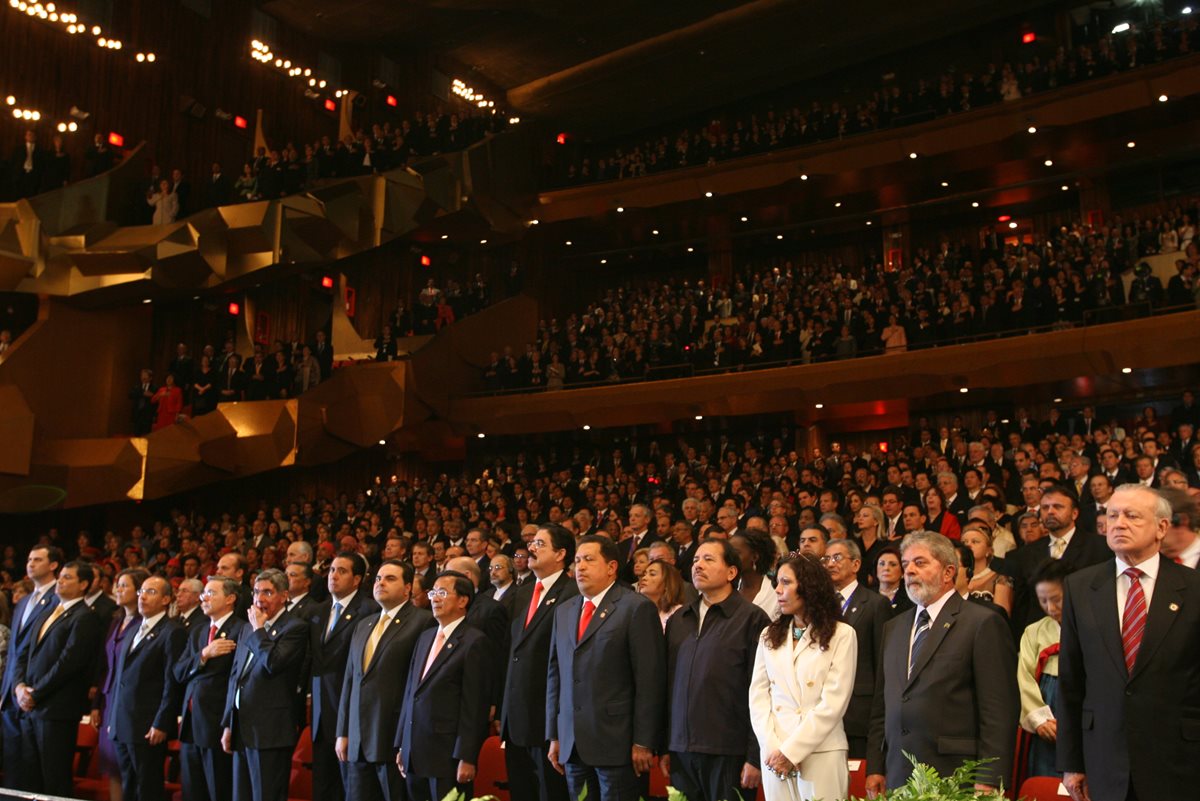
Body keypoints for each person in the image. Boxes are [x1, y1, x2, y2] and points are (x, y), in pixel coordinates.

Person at [1057, 485, 1200, 801]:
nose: (1118, 523)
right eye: (1112, 515)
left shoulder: (1193, 588)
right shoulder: (1080, 587)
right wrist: (1071, 763)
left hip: (1181, 762)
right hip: (1103, 760)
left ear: (1162, 527)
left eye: (1132, 516)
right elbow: (1071, 681)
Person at [865, 531, 1018, 795]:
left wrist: (990, 777)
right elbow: (883, 703)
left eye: (920, 563)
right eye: (906, 565)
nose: (909, 571)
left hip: (957, 775)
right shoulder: (894, 627)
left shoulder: (982, 623)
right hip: (898, 772)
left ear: (948, 572)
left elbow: (998, 710)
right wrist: (876, 767)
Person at [546, 534, 666, 801]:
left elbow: (650, 680)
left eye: (589, 560)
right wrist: (555, 735)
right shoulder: (564, 611)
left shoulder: (635, 607)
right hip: (573, 741)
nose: (581, 567)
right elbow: (556, 676)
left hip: (618, 744)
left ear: (612, 567)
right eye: (577, 561)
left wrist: (644, 741)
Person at [664, 538, 770, 800]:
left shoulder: (752, 619)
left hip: (729, 751)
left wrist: (755, 757)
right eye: (696, 559)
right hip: (681, 749)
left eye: (709, 559)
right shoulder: (680, 618)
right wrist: (664, 745)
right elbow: (667, 685)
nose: (698, 565)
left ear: (732, 572)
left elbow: (764, 693)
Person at [749, 554, 857, 801]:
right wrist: (773, 747)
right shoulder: (769, 634)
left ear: (809, 587)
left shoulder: (842, 634)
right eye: (777, 582)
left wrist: (792, 752)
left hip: (821, 752)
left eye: (786, 582)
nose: (778, 590)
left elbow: (833, 704)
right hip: (774, 754)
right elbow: (758, 697)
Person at [336, 559, 435, 801]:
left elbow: (417, 686)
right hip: (358, 740)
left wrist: (404, 739)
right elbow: (350, 681)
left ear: (407, 588)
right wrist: (343, 731)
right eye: (379, 578)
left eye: (390, 579)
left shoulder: (423, 622)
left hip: (392, 740)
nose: (381, 583)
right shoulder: (363, 625)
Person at [395, 570, 490, 801]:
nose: (435, 598)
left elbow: (474, 706)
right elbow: (410, 693)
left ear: (463, 600)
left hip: (447, 757)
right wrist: (401, 743)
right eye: (433, 593)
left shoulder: (474, 641)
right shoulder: (425, 637)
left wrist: (467, 757)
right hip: (414, 752)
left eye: (442, 592)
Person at [13, 560, 103, 797]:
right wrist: (19, 686)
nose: (60, 581)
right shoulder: (47, 613)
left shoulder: (85, 617)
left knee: (54, 779)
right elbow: (22, 654)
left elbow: (68, 663)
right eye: (60, 576)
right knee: (28, 778)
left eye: (67, 577)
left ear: (84, 584)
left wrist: (36, 693)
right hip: (30, 707)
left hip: (57, 710)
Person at [501, 524, 578, 801]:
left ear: (560, 554)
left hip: (547, 722)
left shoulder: (572, 594)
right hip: (516, 722)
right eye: (531, 543)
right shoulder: (521, 593)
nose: (530, 548)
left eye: (540, 544)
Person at [221, 568, 310, 801]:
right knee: (241, 795)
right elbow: (236, 675)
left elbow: (273, 663)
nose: (260, 599)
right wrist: (228, 724)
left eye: (268, 593)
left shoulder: (295, 628)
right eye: (256, 592)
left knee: (266, 795)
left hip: (271, 730)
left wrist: (260, 630)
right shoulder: (246, 627)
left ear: (284, 596)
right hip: (242, 726)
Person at [107, 575, 186, 801]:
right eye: (141, 591)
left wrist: (161, 722)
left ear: (166, 599)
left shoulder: (172, 631)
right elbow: (120, 679)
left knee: (147, 787)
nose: (142, 596)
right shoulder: (132, 630)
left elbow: (172, 682)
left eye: (151, 592)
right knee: (128, 786)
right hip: (123, 723)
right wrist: (113, 718)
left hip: (148, 725)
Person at [310, 552, 380, 801]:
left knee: (352, 790)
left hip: (351, 714)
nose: (334, 575)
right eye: (331, 571)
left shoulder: (369, 610)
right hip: (320, 716)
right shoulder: (317, 611)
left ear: (357, 579)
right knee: (322, 788)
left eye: (342, 571)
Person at [174, 576, 247, 801]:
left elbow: (238, 679)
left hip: (216, 723)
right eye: (204, 593)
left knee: (218, 790)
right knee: (192, 791)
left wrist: (228, 723)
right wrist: (205, 654)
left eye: (211, 593)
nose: (204, 598)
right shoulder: (199, 630)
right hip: (191, 723)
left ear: (231, 599)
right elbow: (179, 671)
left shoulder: (241, 629)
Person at [823, 538, 891, 759]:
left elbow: (881, 661)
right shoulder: (819, 604)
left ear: (856, 565)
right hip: (823, 709)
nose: (830, 563)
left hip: (858, 711)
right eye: (827, 559)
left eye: (837, 557)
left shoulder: (874, 603)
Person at [1, 545, 61, 791]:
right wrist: (13, 687)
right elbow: (16, 651)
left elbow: (49, 652)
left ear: (54, 565)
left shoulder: (60, 600)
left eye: (38, 559)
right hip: (11, 694)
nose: (30, 564)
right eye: (29, 559)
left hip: (37, 695)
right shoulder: (24, 601)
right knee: (14, 771)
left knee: (36, 775)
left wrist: (26, 688)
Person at [91, 566, 148, 801]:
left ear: (139, 591)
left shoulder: (143, 625)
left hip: (130, 704)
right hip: (108, 701)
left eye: (125, 585)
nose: (118, 589)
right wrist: (96, 704)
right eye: (118, 584)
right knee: (112, 767)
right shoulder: (115, 622)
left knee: (130, 770)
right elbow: (104, 666)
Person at [1015, 561, 1067, 782]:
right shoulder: (1034, 631)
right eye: (1043, 600)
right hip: (1045, 699)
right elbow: (1024, 677)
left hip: (1081, 705)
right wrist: (1040, 720)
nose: (1050, 607)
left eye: (1056, 599)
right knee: (1043, 777)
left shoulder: (1092, 625)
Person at [961, 525, 1013, 616]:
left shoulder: (1000, 579)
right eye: (964, 542)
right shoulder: (954, 578)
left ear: (989, 551)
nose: (968, 545)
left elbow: (1001, 617)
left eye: (975, 542)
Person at [731, 529, 781, 619]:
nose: (729, 558)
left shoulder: (776, 593)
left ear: (754, 557)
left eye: (735, 553)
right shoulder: (728, 588)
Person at [638, 559, 685, 630]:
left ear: (667, 583)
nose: (644, 578)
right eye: (644, 574)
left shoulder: (678, 613)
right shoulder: (639, 611)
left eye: (652, 574)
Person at [874, 545, 913, 614]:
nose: (886, 568)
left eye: (893, 565)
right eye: (882, 564)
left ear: (902, 572)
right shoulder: (865, 597)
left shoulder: (910, 598)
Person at [130, 369, 157, 436]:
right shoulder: (137, 387)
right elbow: (130, 395)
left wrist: (152, 395)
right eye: (142, 375)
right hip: (137, 415)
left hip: (148, 415)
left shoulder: (154, 388)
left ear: (150, 378)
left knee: (146, 436)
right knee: (136, 436)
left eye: (145, 375)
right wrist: (143, 393)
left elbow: (156, 401)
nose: (143, 377)